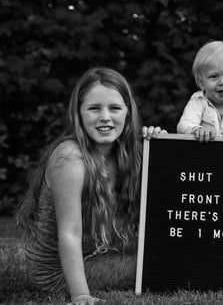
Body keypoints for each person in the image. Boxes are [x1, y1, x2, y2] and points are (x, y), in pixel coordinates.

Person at [16, 67, 166, 305]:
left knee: (168, 244)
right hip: (60, 273)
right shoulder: (70, 159)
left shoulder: (125, 152)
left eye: (115, 108)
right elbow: (70, 232)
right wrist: (81, 295)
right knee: (165, 259)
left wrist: (159, 144)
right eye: (94, 108)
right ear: (78, 113)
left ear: (128, 112)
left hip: (99, 252)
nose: (105, 117)